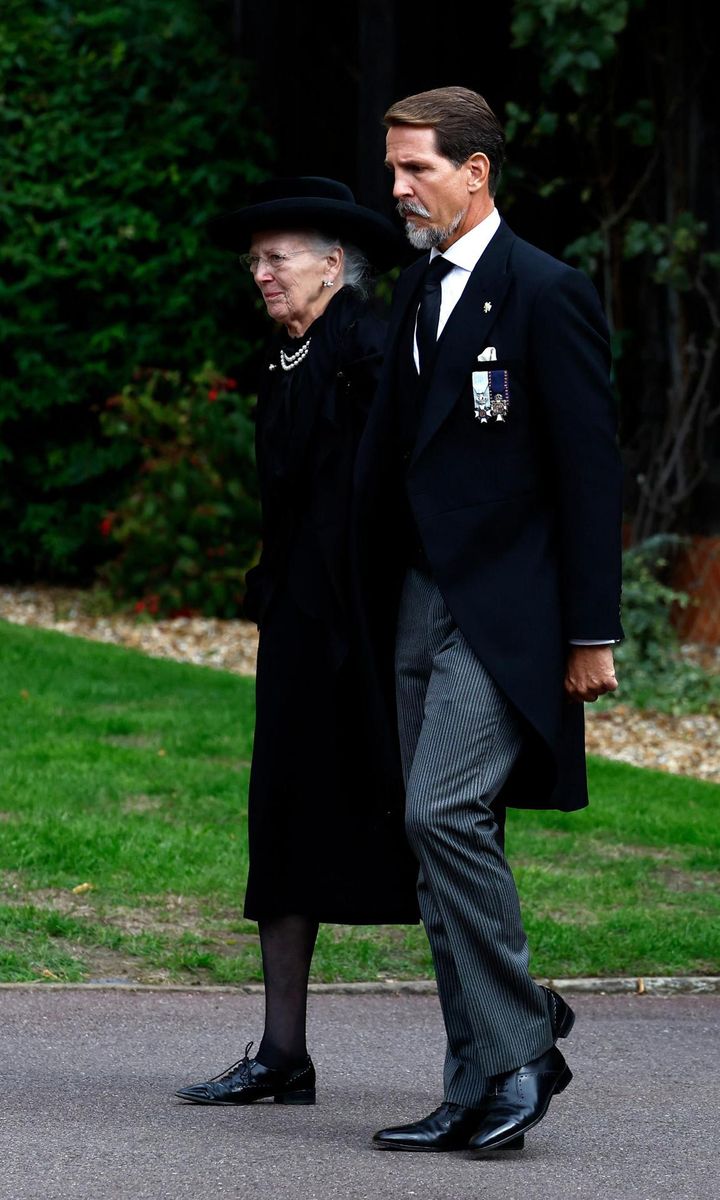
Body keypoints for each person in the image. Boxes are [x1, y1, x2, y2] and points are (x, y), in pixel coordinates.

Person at [351, 88, 624, 1153]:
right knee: (435, 849)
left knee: (444, 815)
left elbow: (589, 471)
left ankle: (521, 1049)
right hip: (418, 604)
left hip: (509, 615)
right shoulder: (416, 290)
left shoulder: (546, 292)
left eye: (417, 168)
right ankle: (480, 1080)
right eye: (393, 169)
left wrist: (592, 633)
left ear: (478, 172)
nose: (400, 188)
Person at [175, 177, 420, 1108]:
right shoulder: (286, 353)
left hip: (370, 628)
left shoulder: (372, 345)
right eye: (255, 262)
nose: (261, 274)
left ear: (333, 263)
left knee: (424, 824)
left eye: (276, 259)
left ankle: (510, 1020)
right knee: (280, 820)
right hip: (298, 629)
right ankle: (284, 1054)